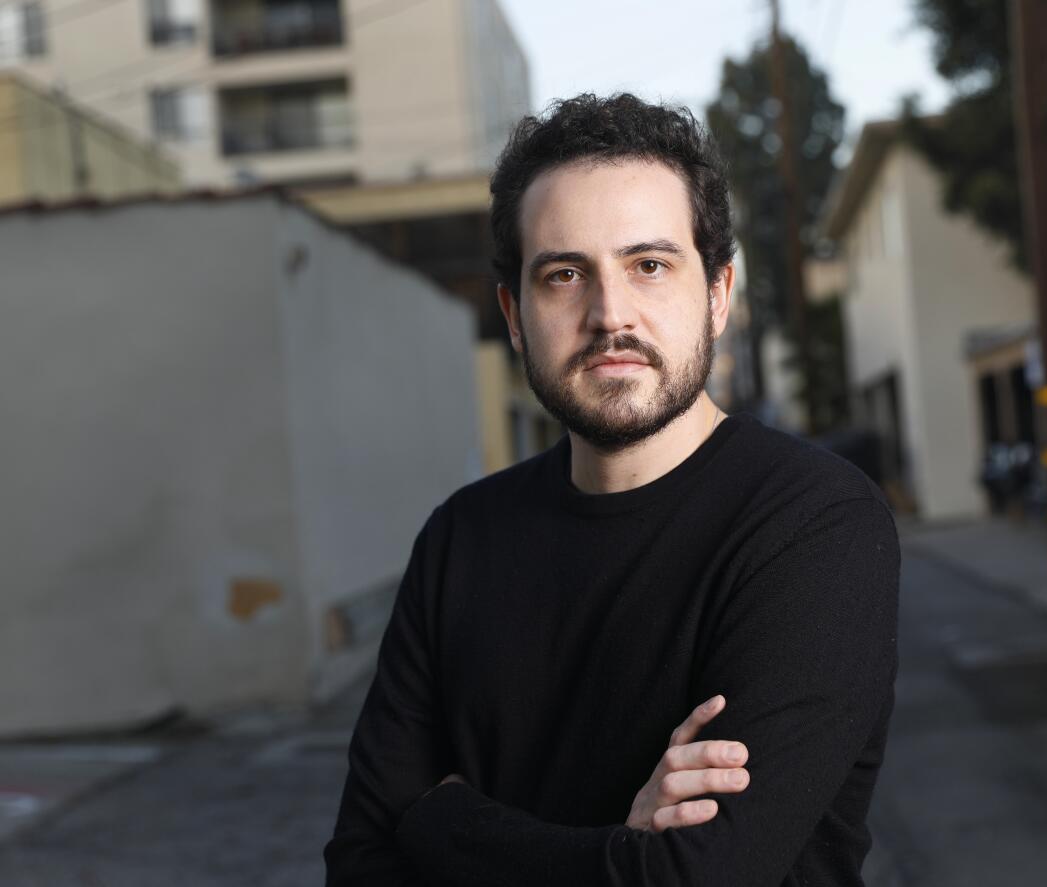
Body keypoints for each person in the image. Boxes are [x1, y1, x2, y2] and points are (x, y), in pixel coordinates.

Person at [324, 93, 900, 887]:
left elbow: (698, 878)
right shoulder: (460, 539)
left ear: (718, 293)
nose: (609, 315)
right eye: (564, 274)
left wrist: (443, 823)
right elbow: (360, 863)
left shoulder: (814, 525)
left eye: (649, 265)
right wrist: (617, 855)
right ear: (515, 314)